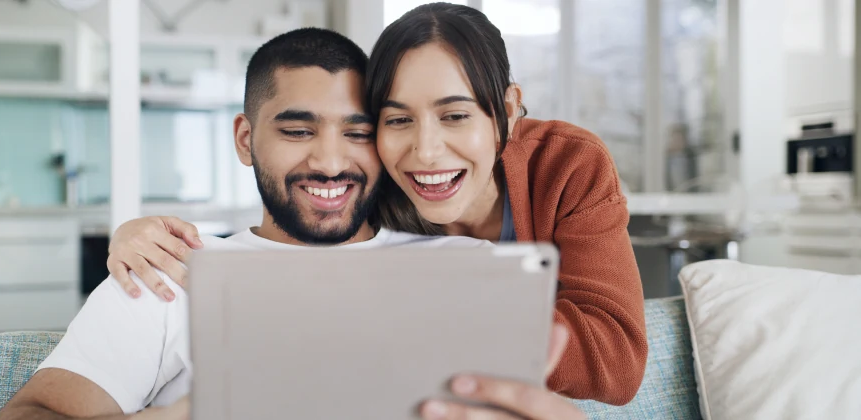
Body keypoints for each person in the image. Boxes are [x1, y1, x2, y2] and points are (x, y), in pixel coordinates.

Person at [0, 28, 584, 420]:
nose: (329, 162)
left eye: (356, 132)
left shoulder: (467, 269)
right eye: (298, 131)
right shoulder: (165, 272)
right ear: (246, 140)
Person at [107, 2, 648, 406]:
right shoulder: (371, 180)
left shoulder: (566, 163)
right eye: (396, 119)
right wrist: (136, 233)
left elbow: (616, 362)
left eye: (456, 114)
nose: (425, 151)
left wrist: (435, 308)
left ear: (507, 110)